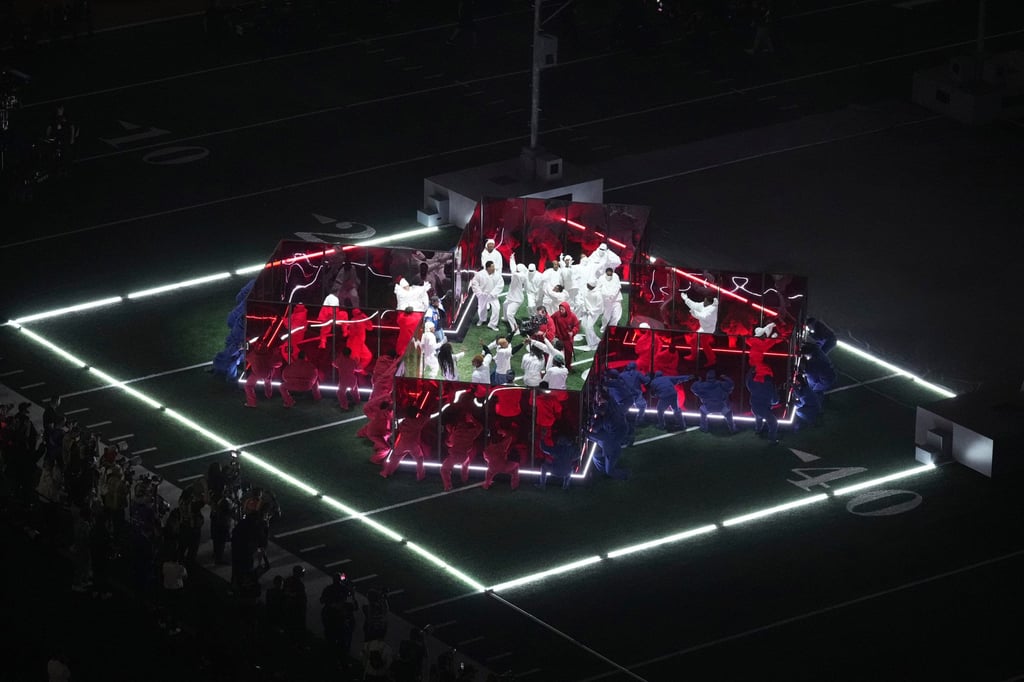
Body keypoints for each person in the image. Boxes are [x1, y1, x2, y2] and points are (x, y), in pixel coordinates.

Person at [380, 405, 432, 480]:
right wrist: (419, 410)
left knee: (395, 459)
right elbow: (428, 415)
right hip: (413, 445)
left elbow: (398, 428)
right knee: (419, 460)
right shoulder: (418, 422)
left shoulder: (404, 422)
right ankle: (420, 476)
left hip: (402, 443)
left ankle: (386, 472)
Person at [442, 410, 483, 490]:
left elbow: (450, 444)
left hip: (454, 456)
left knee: (444, 469)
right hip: (464, 456)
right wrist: (473, 419)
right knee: (466, 464)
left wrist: (448, 436)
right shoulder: (470, 433)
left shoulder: (454, 434)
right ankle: (464, 480)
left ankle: (448, 486)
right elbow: (480, 427)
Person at [320, 572, 357, 659]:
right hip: (338, 620)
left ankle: (331, 656)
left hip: (329, 617)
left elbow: (322, 600)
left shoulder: (328, 589)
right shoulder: (343, 591)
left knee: (330, 640)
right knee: (341, 641)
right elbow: (354, 604)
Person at [690, 369, 738, 433]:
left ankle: (703, 428)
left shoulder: (702, 385)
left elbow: (693, 388)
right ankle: (733, 429)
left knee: (702, 409)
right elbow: (731, 384)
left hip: (708, 407)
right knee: (729, 412)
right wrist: (725, 377)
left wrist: (699, 381)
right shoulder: (721, 384)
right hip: (721, 407)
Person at [682, 292, 719, 365]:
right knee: (696, 341)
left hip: (707, 328)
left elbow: (703, 316)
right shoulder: (705, 307)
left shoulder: (711, 310)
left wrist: (694, 313)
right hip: (705, 328)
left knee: (703, 342)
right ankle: (708, 358)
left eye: (706, 301)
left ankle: (711, 359)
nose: (704, 302)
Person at [747, 366, 781, 444]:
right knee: (774, 423)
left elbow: (748, 381)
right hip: (764, 409)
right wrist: (776, 392)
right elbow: (775, 401)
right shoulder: (770, 387)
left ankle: (758, 431)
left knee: (758, 418)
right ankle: (772, 440)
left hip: (754, 408)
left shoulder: (755, 384)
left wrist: (750, 371)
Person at [244, 340, 282, 407]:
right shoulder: (269, 355)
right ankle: (268, 396)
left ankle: (252, 403)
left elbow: (247, 358)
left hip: (256, 374)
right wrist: (276, 354)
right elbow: (278, 363)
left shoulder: (253, 355)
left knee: (248, 386)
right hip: (267, 373)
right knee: (268, 383)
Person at [482, 425, 519, 490]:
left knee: (489, 472)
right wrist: (504, 432)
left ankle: (486, 484)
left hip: (492, 467)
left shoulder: (487, 449)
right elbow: (510, 437)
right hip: (503, 466)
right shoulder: (501, 446)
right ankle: (514, 486)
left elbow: (486, 458)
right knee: (515, 467)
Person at [470, 260, 503, 330]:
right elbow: (474, 283)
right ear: (488, 268)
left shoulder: (497, 275)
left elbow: (500, 285)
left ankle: (492, 324)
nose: (494, 268)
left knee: (497, 308)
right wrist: (479, 293)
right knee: (482, 308)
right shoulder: (480, 274)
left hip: (492, 296)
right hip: (483, 295)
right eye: (492, 267)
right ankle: (482, 319)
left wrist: (493, 293)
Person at [551, 301, 581, 370]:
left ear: (567, 309)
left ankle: (568, 366)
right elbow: (550, 320)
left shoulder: (572, 316)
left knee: (568, 353)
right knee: (557, 353)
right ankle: (557, 365)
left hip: (568, 339)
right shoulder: (557, 314)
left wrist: (573, 332)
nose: (561, 311)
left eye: (562, 309)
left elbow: (576, 326)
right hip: (559, 338)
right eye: (560, 309)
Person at [332, 345, 362, 410]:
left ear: (342, 353)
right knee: (354, 391)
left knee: (340, 392)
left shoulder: (339, 360)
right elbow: (358, 368)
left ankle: (345, 406)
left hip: (343, 380)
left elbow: (333, 363)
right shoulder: (352, 361)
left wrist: (340, 357)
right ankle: (357, 401)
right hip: (352, 379)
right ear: (350, 354)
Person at [504, 256, 528, 334]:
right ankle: (506, 319)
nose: (516, 269)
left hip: (516, 299)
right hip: (511, 296)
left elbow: (513, 270)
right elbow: (513, 269)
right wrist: (512, 259)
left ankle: (516, 330)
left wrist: (511, 260)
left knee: (510, 314)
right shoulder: (520, 274)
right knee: (505, 305)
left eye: (517, 268)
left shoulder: (519, 275)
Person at [598, 267, 623, 333]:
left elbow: (618, 287)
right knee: (606, 315)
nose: (609, 275)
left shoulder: (615, 276)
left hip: (616, 299)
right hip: (606, 300)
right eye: (608, 274)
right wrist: (606, 295)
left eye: (610, 274)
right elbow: (599, 288)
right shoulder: (601, 278)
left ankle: (612, 328)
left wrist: (613, 295)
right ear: (605, 273)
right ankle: (604, 328)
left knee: (616, 315)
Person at [581, 279, 604, 350]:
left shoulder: (598, 294)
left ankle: (592, 344)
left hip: (594, 313)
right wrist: (585, 309)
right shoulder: (586, 291)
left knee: (589, 326)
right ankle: (595, 340)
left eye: (588, 284)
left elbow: (599, 306)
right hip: (587, 311)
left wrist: (591, 311)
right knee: (584, 325)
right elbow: (584, 301)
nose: (586, 285)